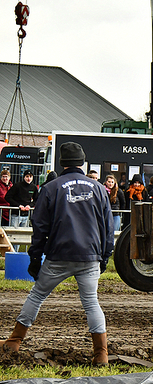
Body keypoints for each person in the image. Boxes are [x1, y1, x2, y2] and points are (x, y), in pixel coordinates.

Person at [0, 142, 114, 366]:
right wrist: (106, 254)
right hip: (90, 255)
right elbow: (108, 227)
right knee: (91, 302)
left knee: (37, 295)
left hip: (58, 254)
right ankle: (101, 353)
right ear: (82, 162)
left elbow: (39, 226)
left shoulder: (51, 188)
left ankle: (14, 341)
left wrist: (35, 258)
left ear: (62, 163)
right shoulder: (99, 188)